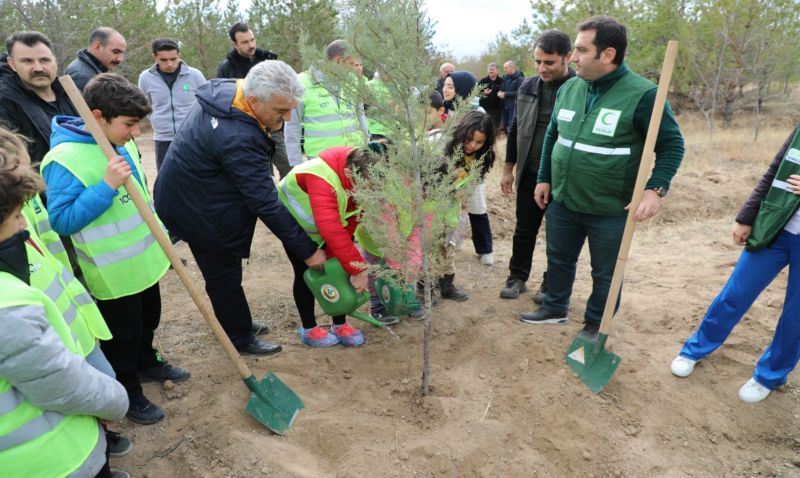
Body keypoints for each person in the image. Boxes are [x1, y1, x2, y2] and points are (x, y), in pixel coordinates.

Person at [521, 16, 684, 339]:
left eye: (581, 50)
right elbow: (554, 135)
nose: (573, 57)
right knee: (559, 258)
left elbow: (672, 145)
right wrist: (544, 178)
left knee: (606, 273)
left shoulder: (643, 95)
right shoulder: (570, 87)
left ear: (607, 55)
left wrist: (655, 190)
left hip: (610, 208)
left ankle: (596, 324)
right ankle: (554, 307)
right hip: (564, 199)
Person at [41, 73, 189, 425]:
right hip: (112, 273)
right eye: (130, 124)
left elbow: (140, 203)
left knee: (147, 322)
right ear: (96, 116)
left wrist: (163, 241)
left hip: (146, 261)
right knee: (123, 336)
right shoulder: (63, 159)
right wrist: (106, 185)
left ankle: (147, 362)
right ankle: (129, 391)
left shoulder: (119, 144)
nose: (136, 133)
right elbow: (61, 221)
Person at [154, 61, 326, 355]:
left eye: (289, 111)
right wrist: (307, 250)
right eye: (280, 111)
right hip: (197, 209)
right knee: (224, 275)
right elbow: (264, 201)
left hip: (200, 191)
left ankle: (237, 321)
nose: (285, 120)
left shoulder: (230, 91)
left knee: (227, 273)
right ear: (255, 100)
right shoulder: (236, 135)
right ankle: (238, 337)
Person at [0, 129, 130, 478]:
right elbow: (62, 386)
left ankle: (102, 450)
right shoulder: (7, 309)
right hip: (50, 460)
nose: (24, 221)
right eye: (15, 215)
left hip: (68, 323)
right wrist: (114, 400)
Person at [671, 128, 800, 404]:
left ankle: (770, 375)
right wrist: (746, 216)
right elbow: (774, 171)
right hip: (775, 229)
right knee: (734, 294)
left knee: (795, 316)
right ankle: (695, 349)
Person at [279, 145, 390, 347]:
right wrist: (358, 268)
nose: (370, 192)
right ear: (349, 173)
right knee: (305, 273)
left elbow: (350, 220)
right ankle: (309, 328)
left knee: (337, 267)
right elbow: (330, 228)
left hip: (325, 227)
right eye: (366, 187)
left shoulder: (363, 173)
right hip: (294, 227)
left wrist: (342, 260)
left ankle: (339, 324)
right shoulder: (321, 178)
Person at [500, 30, 574, 302]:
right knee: (524, 229)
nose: (542, 68)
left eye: (549, 63)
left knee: (559, 236)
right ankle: (517, 277)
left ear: (568, 57)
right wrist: (509, 169)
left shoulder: (579, 89)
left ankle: (550, 284)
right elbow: (516, 127)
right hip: (529, 174)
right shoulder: (527, 87)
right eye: (538, 61)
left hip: (564, 178)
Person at [215, 23, 290, 179]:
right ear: (234, 44)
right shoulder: (226, 68)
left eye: (252, 40)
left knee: (289, 168)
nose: (251, 45)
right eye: (245, 42)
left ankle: (288, 202)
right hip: (247, 129)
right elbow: (222, 100)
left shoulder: (269, 61)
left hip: (273, 127)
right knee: (264, 174)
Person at [438, 110, 496, 301]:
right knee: (429, 248)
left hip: (452, 208)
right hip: (432, 206)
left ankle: (447, 286)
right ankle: (424, 290)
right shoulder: (443, 146)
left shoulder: (481, 157)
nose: (472, 146)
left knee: (448, 247)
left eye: (479, 142)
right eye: (469, 139)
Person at [0, 31, 77, 171]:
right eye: (27, 61)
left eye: (44, 60)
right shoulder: (5, 102)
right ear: (12, 64)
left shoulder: (71, 92)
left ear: (54, 61)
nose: (38, 68)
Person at [284, 39, 369, 167]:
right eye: (352, 63)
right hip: (321, 163)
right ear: (339, 61)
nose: (356, 68)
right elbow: (292, 126)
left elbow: (360, 115)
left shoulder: (353, 81)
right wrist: (296, 164)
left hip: (355, 157)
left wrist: (367, 146)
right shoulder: (301, 83)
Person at [442, 71, 495, 267]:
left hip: (472, 171)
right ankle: (450, 243)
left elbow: (485, 146)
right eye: (445, 85)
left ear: (462, 89)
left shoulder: (477, 113)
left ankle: (485, 249)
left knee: (477, 208)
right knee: (450, 209)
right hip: (451, 171)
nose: (445, 90)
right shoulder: (447, 111)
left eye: (450, 86)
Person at [138, 38, 205, 171]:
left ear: (179, 55)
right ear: (155, 57)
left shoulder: (195, 75)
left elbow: (206, 103)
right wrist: (156, 121)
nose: (169, 64)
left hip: (192, 138)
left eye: (173, 59)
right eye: (164, 60)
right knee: (165, 182)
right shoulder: (145, 78)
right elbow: (143, 106)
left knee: (196, 180)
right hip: (163, 139)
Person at [65, 27, 126, 92]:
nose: (120, 59)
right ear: (97, 47)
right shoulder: (82, 76)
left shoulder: (94, 70)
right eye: (116, 51)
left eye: (122, 53)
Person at [497, 61, 524, 133]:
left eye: (506, 68)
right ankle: (507, 142)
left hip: (514, 106)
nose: (504, 70)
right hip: (504, 106)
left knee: (511, 126)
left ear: (512, 67)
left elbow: (520, 93)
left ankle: (512, 143)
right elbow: (502, 89)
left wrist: (505, 94)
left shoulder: (520, 79)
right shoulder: (505, 78)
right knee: (505, 125)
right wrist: (500, 92)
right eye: (504, 68)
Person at [478, 63, 503, 133]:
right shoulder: (483, 81)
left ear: (497, 71)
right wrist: (483, 93)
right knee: (485, 127)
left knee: (496, 128)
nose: (491, 71)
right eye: (489, 69)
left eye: (492, 69)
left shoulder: (502, 81)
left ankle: (494, 142)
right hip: (485, 109)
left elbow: (505, 93)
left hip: (498, 109)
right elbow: (475, 94)